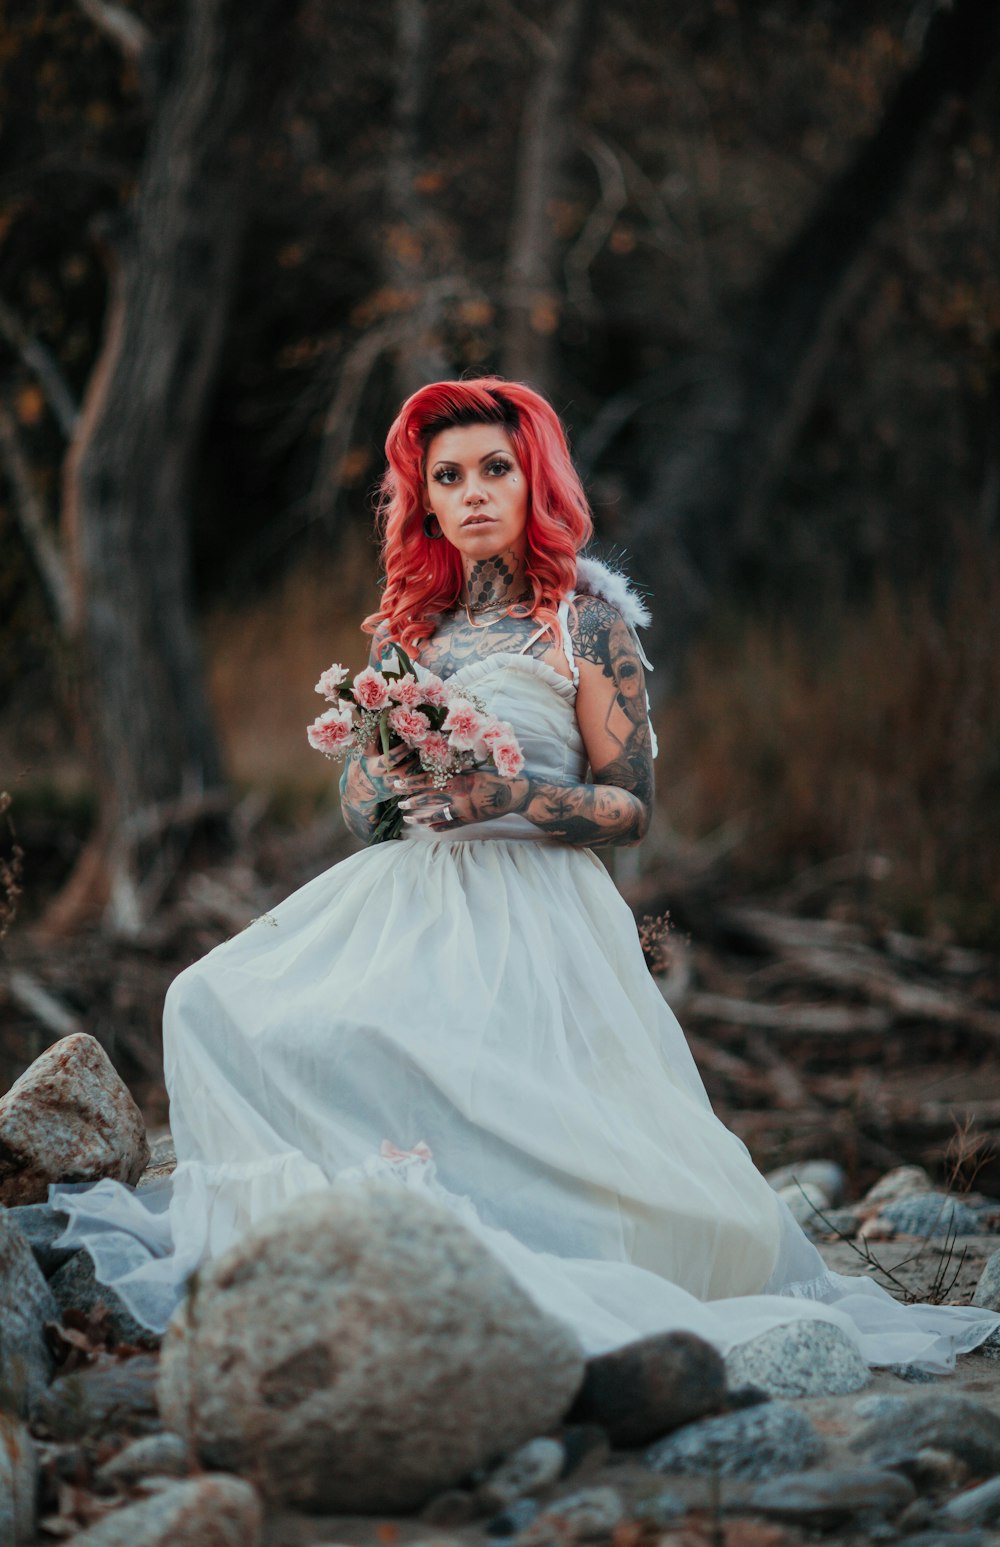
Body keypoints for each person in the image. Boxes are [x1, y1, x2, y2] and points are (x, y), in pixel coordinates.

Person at [49, 376, 1000, 1374]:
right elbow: (362, 816)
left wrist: (504, 799)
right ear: (422, 499)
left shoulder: (587, 625)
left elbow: (629, 809)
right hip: (409, 893)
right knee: (207, 997)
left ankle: (504, 1272)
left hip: (535, 903)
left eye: (493, 468)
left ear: (533, 478)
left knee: (490, 1091)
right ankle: (345, 1245)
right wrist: (388, 764)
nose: (469, 492)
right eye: (445, 475)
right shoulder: (408, 636)